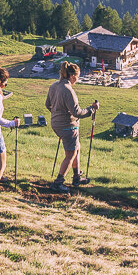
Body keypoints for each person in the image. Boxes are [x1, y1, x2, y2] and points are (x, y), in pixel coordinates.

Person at [45, 60, 99, 192]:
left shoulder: (54, 86)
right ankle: (58, 182)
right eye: (78, 77)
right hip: (68, 125)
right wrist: (91, 109)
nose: (78, 79)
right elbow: (77, 112)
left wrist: (57, 114)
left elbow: (48, 105)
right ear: (72, 76)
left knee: (76, 149)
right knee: (70, 154)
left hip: (56, 123)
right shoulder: (68, 90)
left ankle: (77, 176)